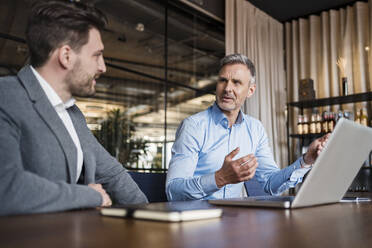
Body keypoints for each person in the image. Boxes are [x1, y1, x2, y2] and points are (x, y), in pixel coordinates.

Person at [0, 1, 147, 216]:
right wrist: (89, 195)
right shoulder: (6, 96)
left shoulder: (72, 114)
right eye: (96, 55)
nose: (102, 67)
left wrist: (150, 217)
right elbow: (7, 188)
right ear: (66, 56)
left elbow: (112, 174)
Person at [166, 54, 329, 201]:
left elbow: (270, 184)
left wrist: (306, 161)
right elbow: (173, 190)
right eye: (223, 80)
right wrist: (219, 178)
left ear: (250, 90)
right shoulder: (193, 126)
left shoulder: (255, 128)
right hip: (196, 222)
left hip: (234, 220)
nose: (227, 88)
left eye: (236, 82)